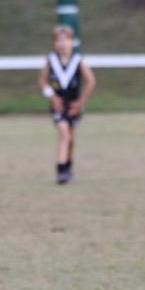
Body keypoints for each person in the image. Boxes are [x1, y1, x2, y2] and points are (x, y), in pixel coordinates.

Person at [38, 24, 96, 184]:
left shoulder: (78, 60)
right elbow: (42, 81)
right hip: (58, 105)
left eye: (66, 40)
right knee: (64, 134)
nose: (63, 43)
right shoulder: (51, 60)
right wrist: (52, 97)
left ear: (72, 41)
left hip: (73, 105)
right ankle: (61, 171)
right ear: (55, 43)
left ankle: (69, 168)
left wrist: (80, 102)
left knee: (71, 138)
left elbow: (91, 81)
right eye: (59, 40)